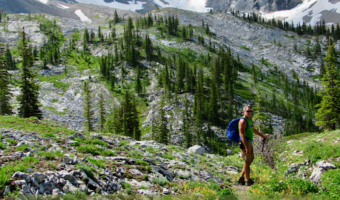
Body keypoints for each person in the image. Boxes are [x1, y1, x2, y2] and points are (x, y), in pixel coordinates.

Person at [237, 105, 267, 186]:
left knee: (250, 159)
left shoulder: (249, 119)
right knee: (247, 161)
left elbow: (253, 129)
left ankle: (241, 178)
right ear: (244, 111)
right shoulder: (242, 121)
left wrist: (262, 136)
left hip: (249, 142)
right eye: (248, 111)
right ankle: (248, 180)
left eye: (251, 111)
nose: (250, 113)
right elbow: (242, 134)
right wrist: (246, 147)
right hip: (245, 142)